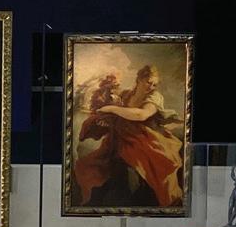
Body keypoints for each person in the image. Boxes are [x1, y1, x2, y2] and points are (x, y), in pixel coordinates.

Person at [74, 63, 185, 208]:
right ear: (139, 79)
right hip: (123, 136)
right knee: (91, 164)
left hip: (147, 139)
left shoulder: (155, 96)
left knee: (160, 173)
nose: (151, 87)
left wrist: (112, 109)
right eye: (149, 82)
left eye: (154, 84)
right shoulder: (127, 94)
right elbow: (111, 104)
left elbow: (141, 115)